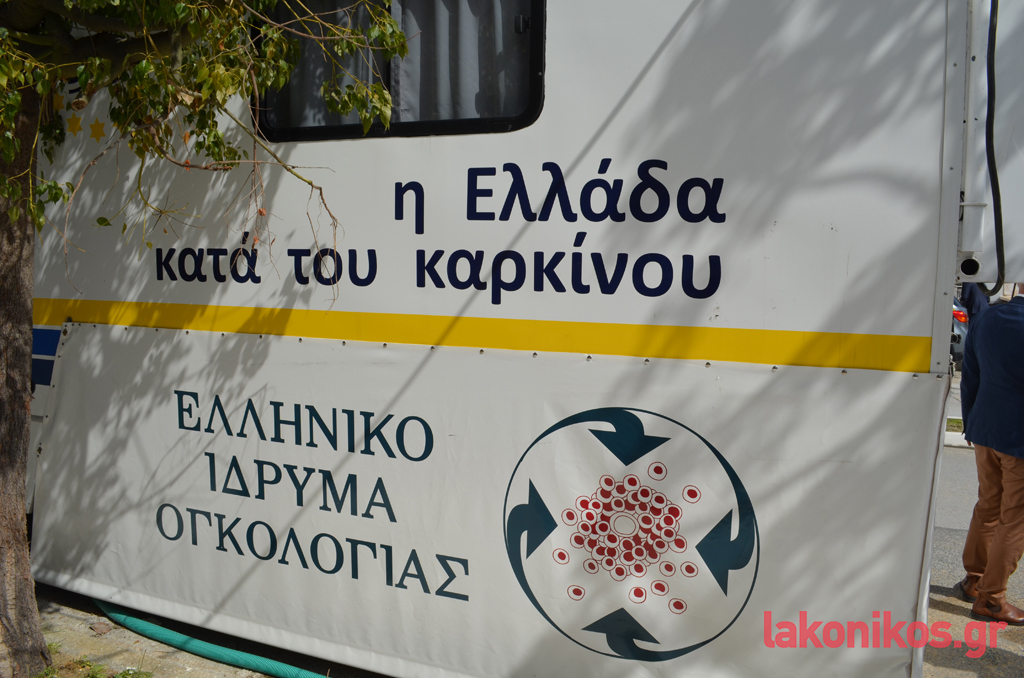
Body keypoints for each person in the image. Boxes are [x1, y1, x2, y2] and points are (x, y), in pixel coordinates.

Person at [959, 283, 1024, 625]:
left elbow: (970, 375)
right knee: (1015, 518)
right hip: (1018, 439)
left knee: (988, 504)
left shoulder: (988, 317)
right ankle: (991, 599)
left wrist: (970, 423)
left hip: (985, 428)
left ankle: (975, 580)